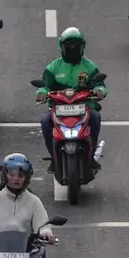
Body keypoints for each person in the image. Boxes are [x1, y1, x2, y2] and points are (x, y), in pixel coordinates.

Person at [34, 28, 107, 170]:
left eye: (76, 45)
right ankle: (54, 157)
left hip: (84, 107)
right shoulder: (53, 67)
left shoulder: (90, 67)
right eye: (69, 45)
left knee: (95, 117)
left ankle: (90, 154)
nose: (73, 48)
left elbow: (100, 85)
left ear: (82, 46)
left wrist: (99, 91)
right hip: (59, 108)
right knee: (46, 122)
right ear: (61, 46)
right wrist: (42, 92)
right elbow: (45, 86)